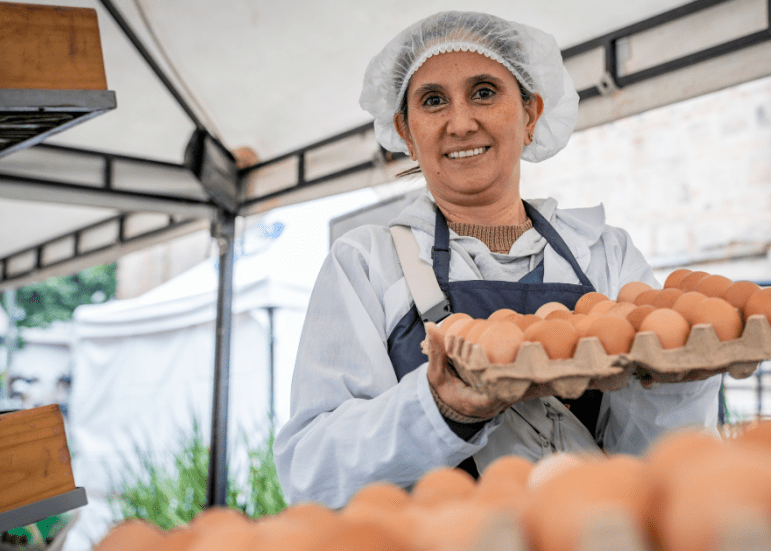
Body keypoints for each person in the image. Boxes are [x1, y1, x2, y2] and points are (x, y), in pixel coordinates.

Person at [274, 11, 720, 508]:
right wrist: (439, 410)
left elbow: (651, 466)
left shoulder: (604, 255)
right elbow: (312, 472)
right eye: (433, 101)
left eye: (484, 91)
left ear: (530, 115)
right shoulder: (367, 263)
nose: (461, 123)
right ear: (406, 131)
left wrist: (676, 386)